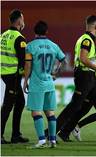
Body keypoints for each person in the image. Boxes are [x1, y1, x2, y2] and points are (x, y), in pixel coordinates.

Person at [50, 15, 96, 143]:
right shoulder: (87, 40)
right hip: (85, 76)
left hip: (90, 77)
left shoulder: (84, 38)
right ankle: (51, 133)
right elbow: (83, 59)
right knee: (74, 106)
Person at [23, 20, 66, 148]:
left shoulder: (30, 46)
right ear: (46, 31)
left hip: (37, 84)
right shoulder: (54, 45)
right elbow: (63, 62)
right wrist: (55, 74)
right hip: (49, 84)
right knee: (50, 112)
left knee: (36, 113)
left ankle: (42, 140)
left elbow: (28, 65)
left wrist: (25, 81)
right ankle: (52, 140)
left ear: (34, 31)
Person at [0, 9, 29, 144]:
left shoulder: (3, 35)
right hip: (13, 75)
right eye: (22, 19)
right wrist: (24, 77)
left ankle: (16, 135)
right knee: (8, 105)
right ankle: (7, 135)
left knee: (19, 102)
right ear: (18, 21)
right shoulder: (19, 38)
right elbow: (23, 61)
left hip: (5, 73)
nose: (23, 21)